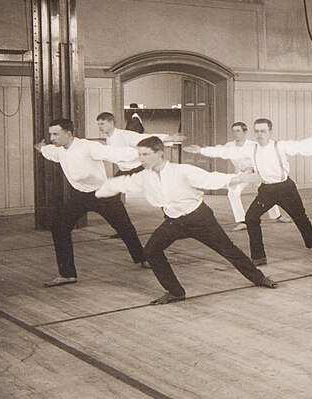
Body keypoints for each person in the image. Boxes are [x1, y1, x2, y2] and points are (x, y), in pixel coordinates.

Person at [96, 137, 277, 304]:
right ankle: (175, 292)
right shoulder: (144, 176)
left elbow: (209, 178)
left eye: (145, 154)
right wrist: (98, 190)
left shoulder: (180, 170)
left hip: (199, 218)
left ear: (159, 153)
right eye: (139, 155)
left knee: (228, 250)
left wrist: (239, 178)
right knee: (151, 251)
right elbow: (123, 183)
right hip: (174, 221)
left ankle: (259, 278)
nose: (141, 159)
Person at [34, 117, 146, 287]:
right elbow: (49, 151)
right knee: (58, 226)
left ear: (69, 134)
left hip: (103, 194)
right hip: (79, 196)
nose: (52, 138)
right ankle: (67, 274)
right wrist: (42, 148)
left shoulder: (88, 147)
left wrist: (143, 153)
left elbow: (114, 153)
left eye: (56, 134)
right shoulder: (59, 150)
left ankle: (143, 258)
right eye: (51, 135)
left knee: (124, 228)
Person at [242, 118, 312, 267]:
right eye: (256, 131)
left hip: (285, 188)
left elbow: (303, 147)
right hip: (266, 190)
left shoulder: (280, 146)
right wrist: (201, 150)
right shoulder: (252, 149)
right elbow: (226, 151)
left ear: (270, 132)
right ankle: (258, 256)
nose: (259, 134)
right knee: (250, 217)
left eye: (263, 131)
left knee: (300, 216)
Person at [183, 122, 283, 230]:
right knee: (233, 192)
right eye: (234, 131)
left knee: (266, 192)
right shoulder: (229, 146)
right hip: (244, 174)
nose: (235, 133)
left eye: (238, 131)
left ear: (245, 132)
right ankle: (242, 221)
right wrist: (201, 150)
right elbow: (219, 150)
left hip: (258, 172)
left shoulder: (253, 145)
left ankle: (277, 215)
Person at [96, 111, 183, 176]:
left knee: (113, 190)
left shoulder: (124, 134)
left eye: (102, 124)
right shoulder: (109, 139)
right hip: (126, 169)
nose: (100, 127)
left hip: (136, 168)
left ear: (111, 123)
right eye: (99, 124)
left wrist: (168, 138)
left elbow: (144, 138)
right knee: (113, 191)